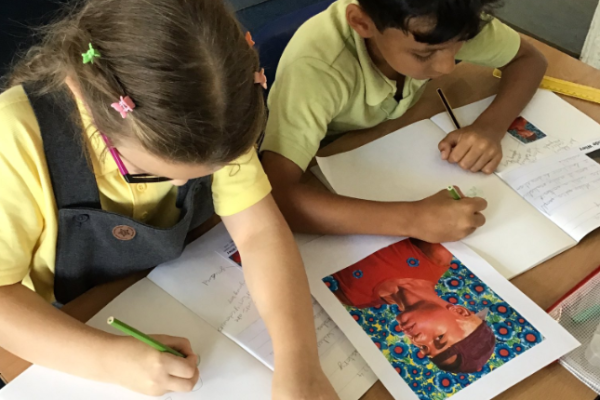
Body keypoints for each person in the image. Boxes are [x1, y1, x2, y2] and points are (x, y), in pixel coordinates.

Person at [0, 0, 338, 398]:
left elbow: (259, 232)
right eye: (150, 171)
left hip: (170, 281)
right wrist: (108, 359)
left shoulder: (217, 112)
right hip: (60, 318)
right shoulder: (14, 141)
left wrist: (300, 359)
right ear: (82, 94)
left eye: (205, 174)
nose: (179, 182)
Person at [261, 0, 548, 243]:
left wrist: (490, 126)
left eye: (460, 44)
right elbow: (274, 196)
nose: (447, 66)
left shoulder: (448, 17)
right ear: (362, 24)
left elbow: (529, 59)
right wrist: (413, 219)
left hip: (384, 133)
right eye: (424, 54)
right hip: (320, 154)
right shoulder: (317, 69)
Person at [329, 240, 495, 373]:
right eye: (439, 338)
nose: (417, 340)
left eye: (424, 348)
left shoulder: (354, 298)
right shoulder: (435, 254)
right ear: (460, 311)